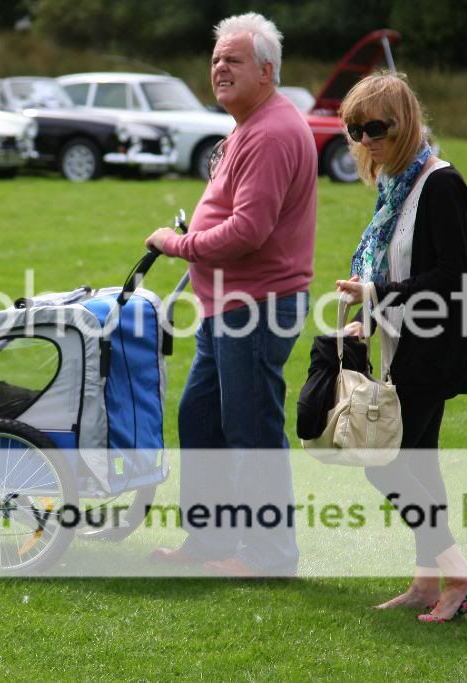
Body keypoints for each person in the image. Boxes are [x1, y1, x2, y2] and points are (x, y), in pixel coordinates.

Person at [145, 12, 316, 577]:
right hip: (230, 308)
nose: (219, 67)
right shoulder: (250, 123)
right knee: (200, 418)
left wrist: (178, 243)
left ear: (266, 71)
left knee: (252, 432)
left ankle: (269, 558)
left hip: (256, 308)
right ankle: (212, 539)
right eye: (216, 59)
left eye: (233, 60)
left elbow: (248, 232)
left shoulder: (270, 132)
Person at [334, 72, 467, 622]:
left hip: (436, 347)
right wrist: (368, 320)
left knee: (383, 460)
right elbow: (395, 266)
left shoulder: (441, 184)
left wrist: (376, 292)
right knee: (420, 463)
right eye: (355, 130)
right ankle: (429, 582)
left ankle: (460, 576)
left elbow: (454, 276)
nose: (365, 140)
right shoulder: (396, 187)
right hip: (405, 345)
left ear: (403, 125)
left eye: (375, 127)